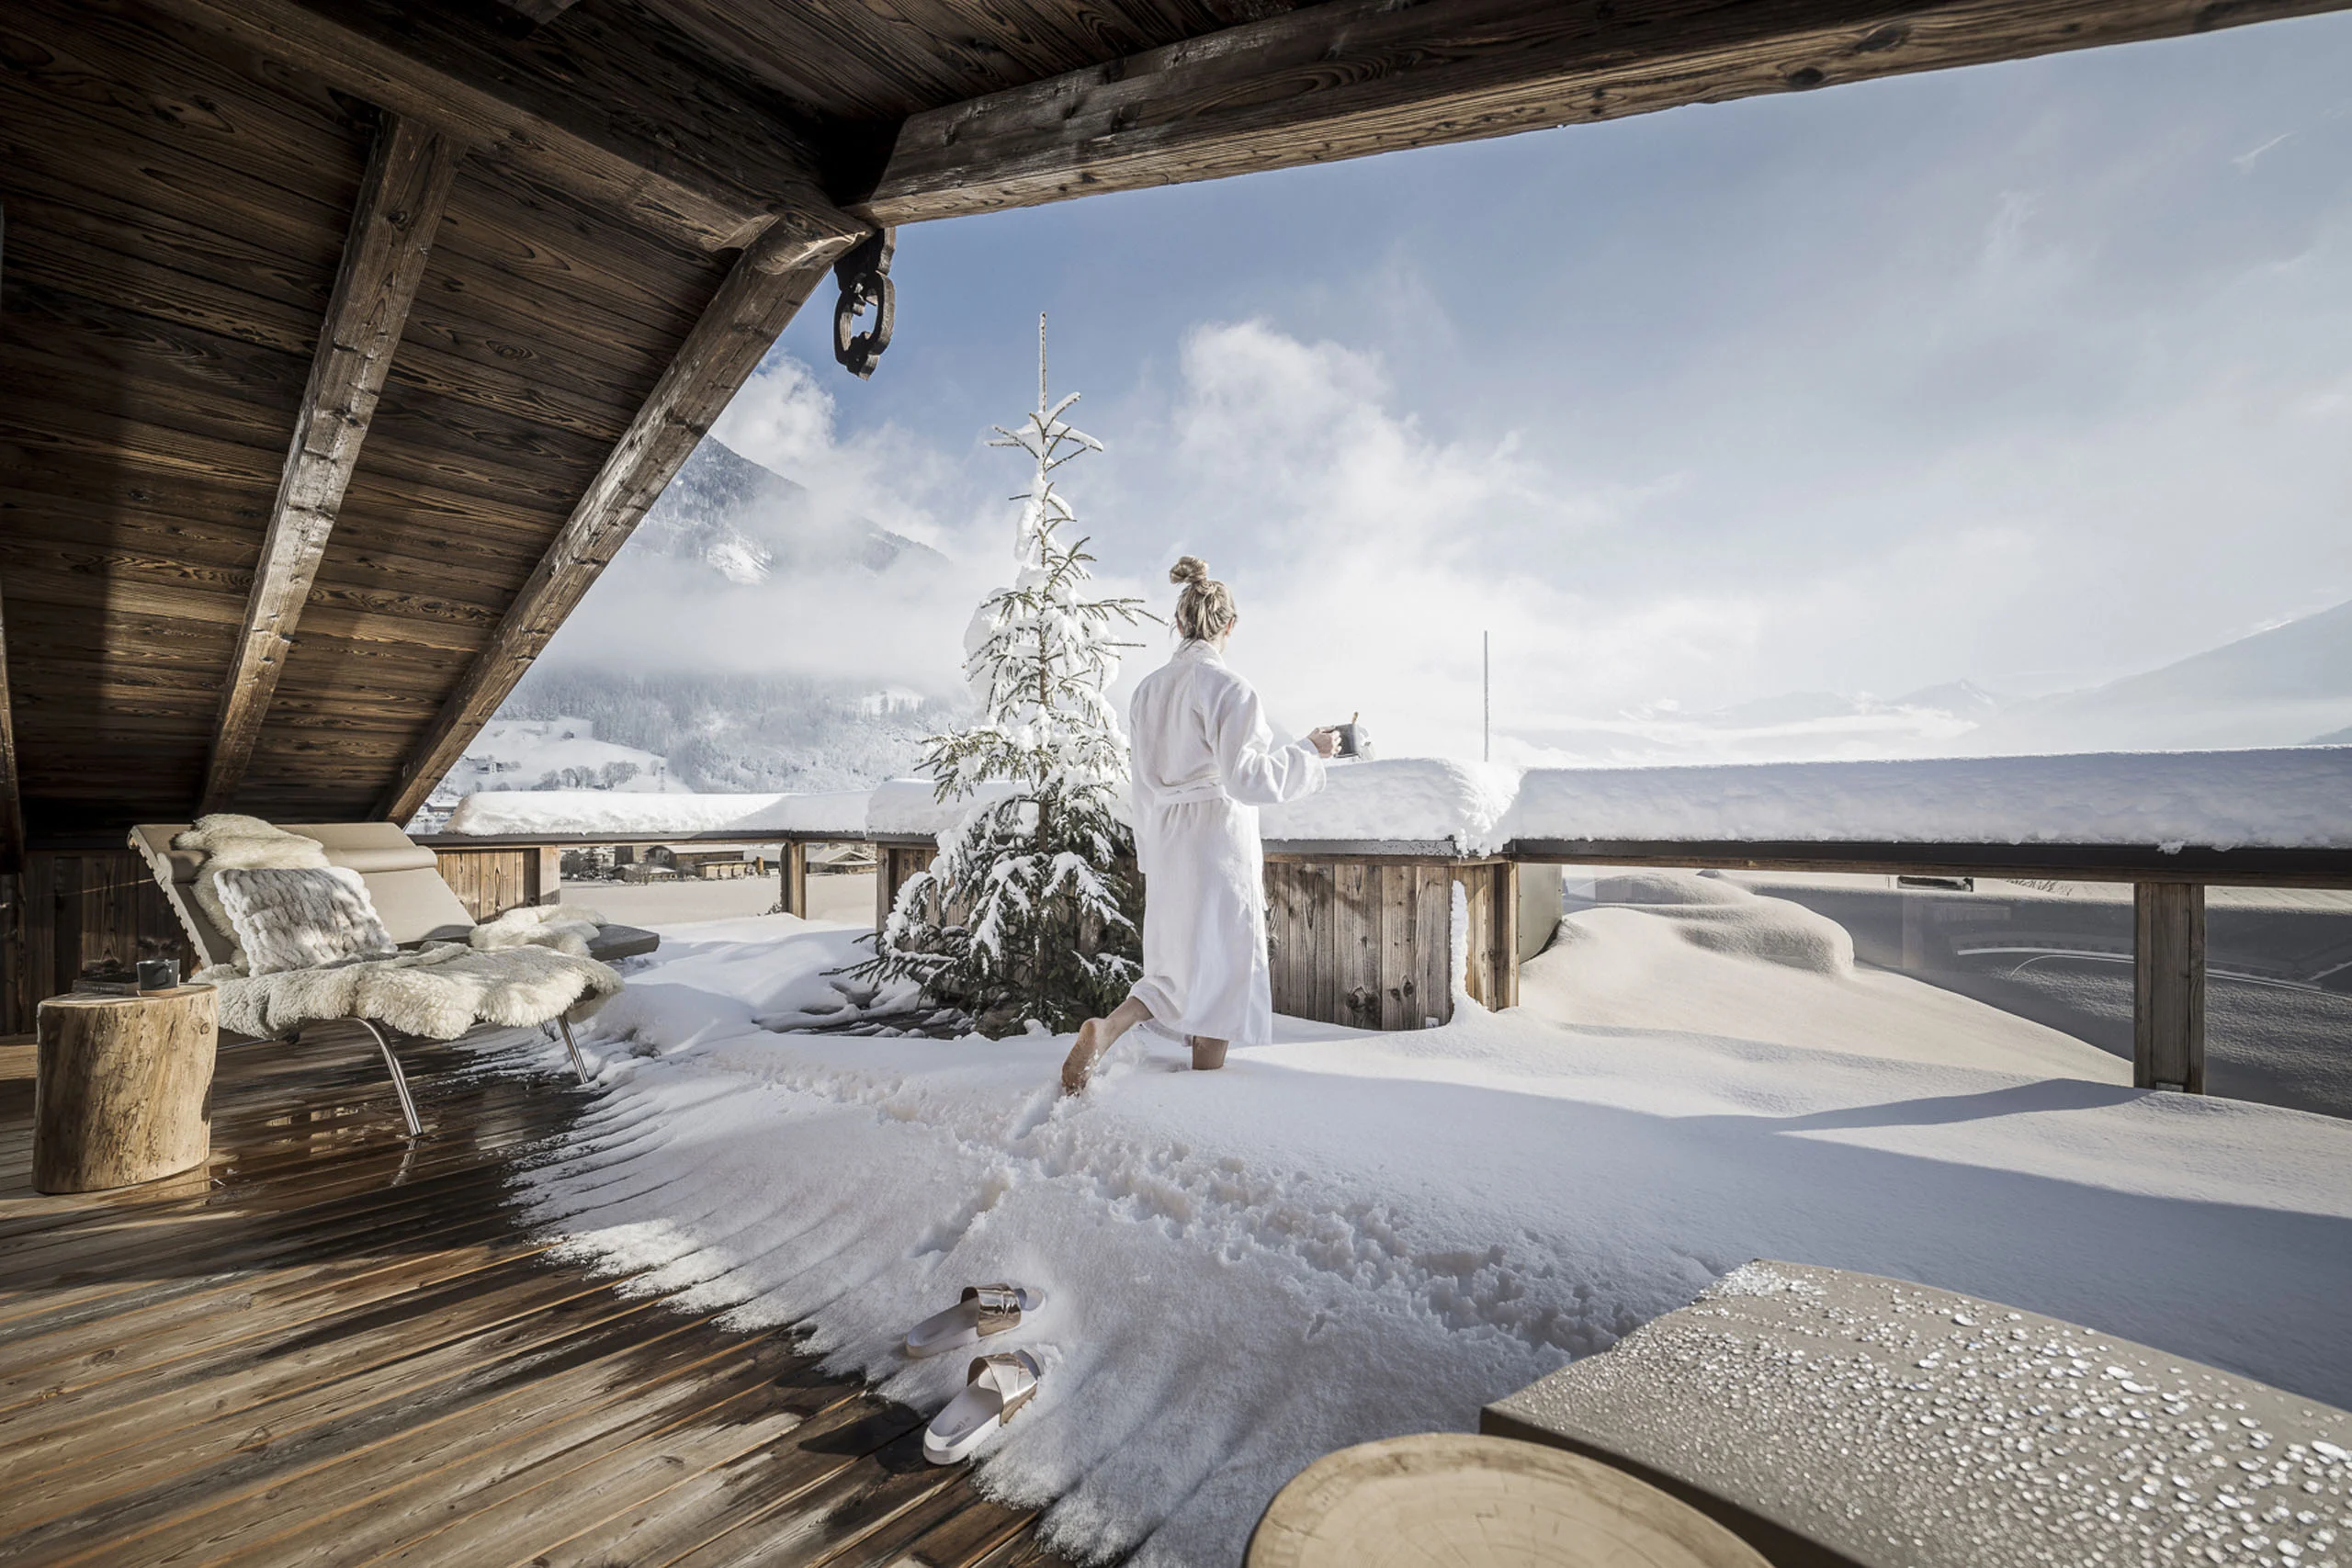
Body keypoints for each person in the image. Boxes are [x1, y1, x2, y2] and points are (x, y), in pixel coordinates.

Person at [1061, 558, 1338, 1095]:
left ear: (1180, 622)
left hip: (1166, 840)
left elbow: (1139, 784)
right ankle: (1206, 1093)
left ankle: (1109, 1026)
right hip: (1216, 838)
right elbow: (1249, 778)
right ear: (1229, 626)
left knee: (1170, 968)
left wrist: (1150, 858)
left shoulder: (1147, 691)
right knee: (1223, 965)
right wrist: (1311, 750)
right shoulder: (1230, 689)